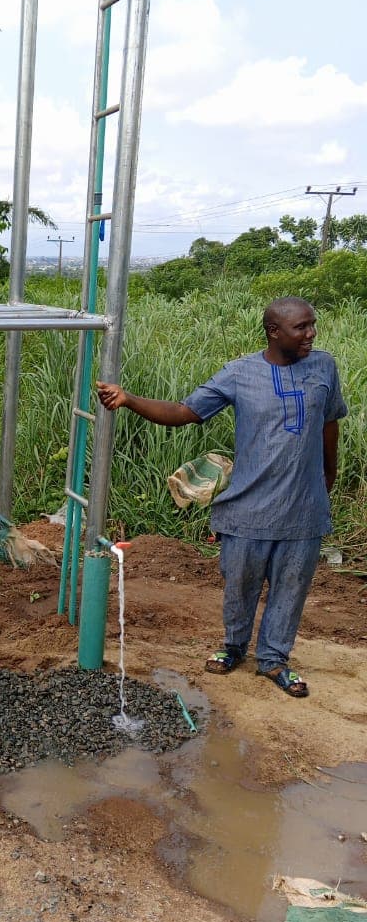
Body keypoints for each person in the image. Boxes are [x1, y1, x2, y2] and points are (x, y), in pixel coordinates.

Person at [97, 296, 347, 699]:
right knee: (240, 585)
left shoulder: (323, 366)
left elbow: (330, 422)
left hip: (304, 509)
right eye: (301, 327)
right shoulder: (240, 374)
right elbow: (184, 412)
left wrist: (328, 475)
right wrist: (128, 400)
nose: (311, 334)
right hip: (248, 507)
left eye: (312, 324)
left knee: (291, 587)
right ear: (274, 331)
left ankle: (274, 659)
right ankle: (233, 647)